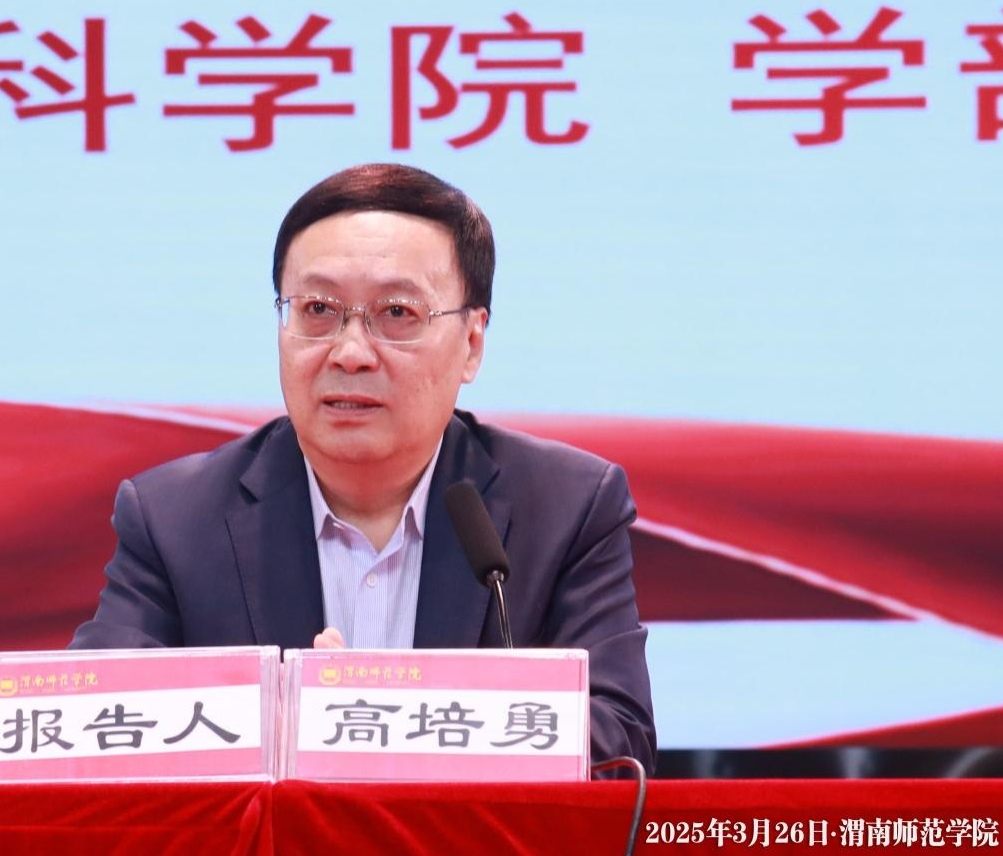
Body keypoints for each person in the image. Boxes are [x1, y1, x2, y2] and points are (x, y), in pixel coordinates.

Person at [70, 163, 656, 772]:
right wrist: (288, 721)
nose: (350, 353)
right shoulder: (174, 518)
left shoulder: (566, 507)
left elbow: (619, 745)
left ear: (472, 343)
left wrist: (380, 718)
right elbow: (91, 730)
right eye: (317, 309)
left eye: (397, 313)